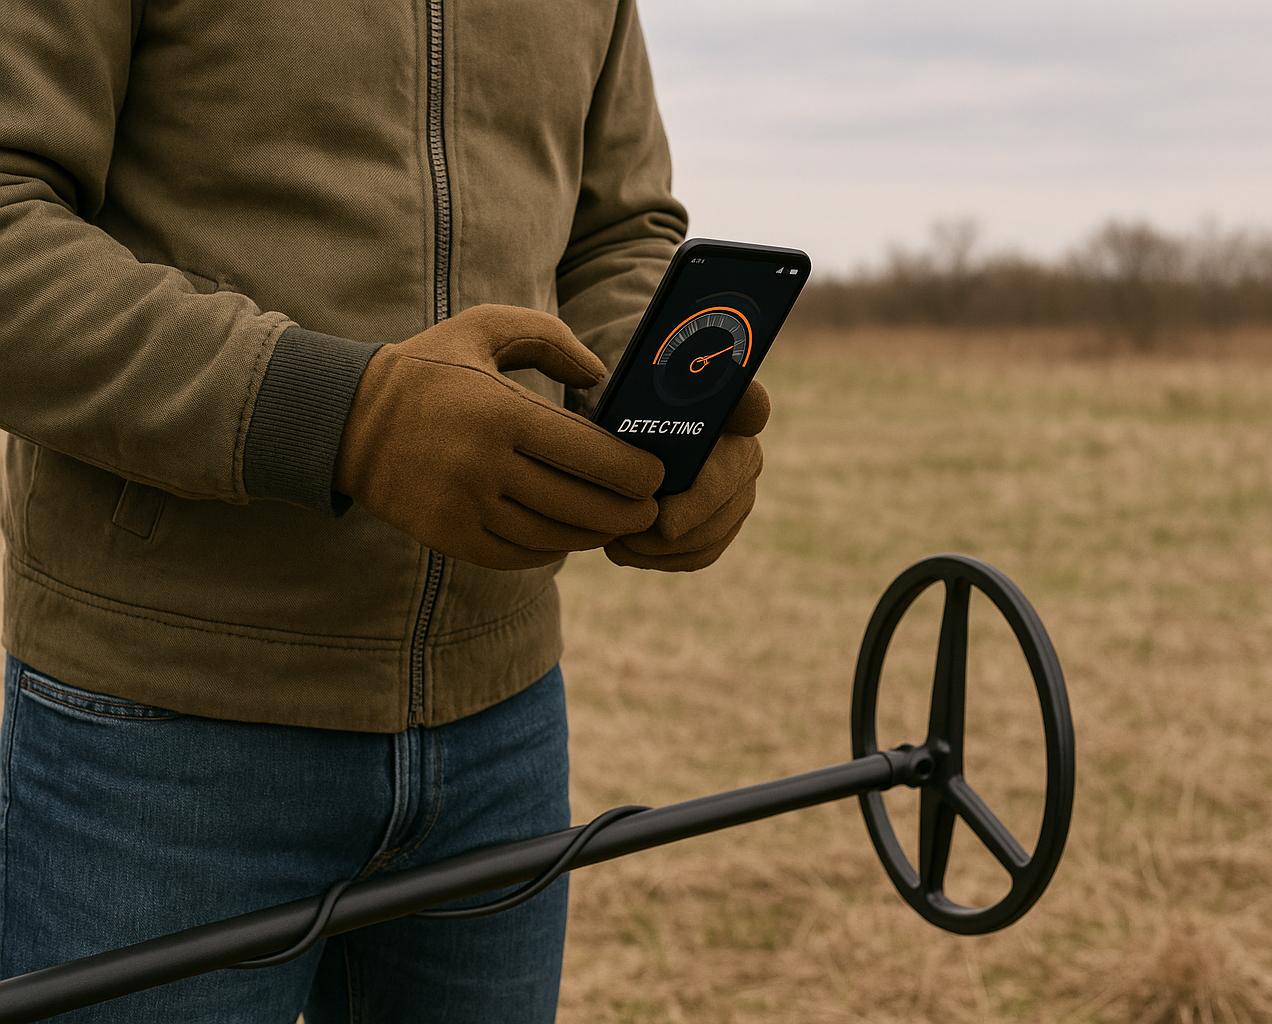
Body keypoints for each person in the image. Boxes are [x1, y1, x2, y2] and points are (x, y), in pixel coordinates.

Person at [0, 1, 765, 1019]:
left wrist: (656, 403)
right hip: (160, 732)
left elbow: (619, 229)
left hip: (506, 728)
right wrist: (341, 417)